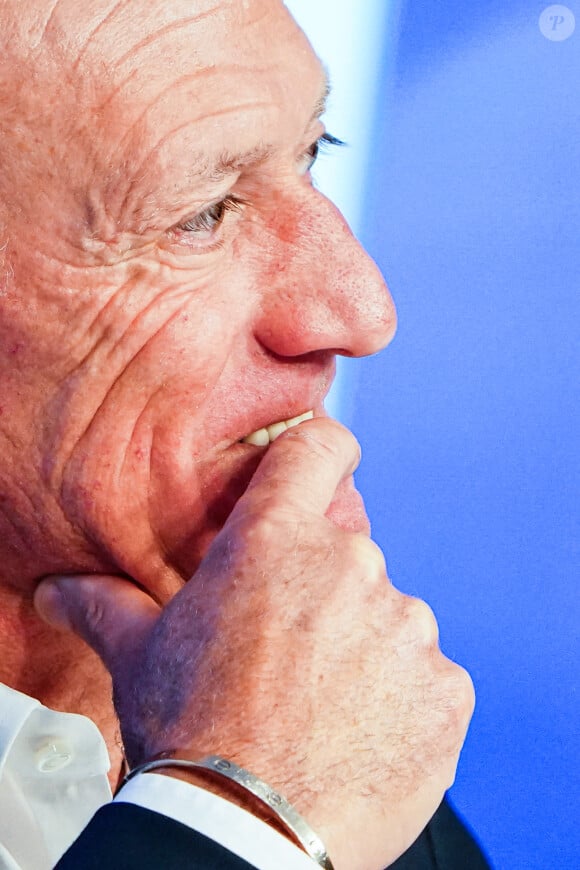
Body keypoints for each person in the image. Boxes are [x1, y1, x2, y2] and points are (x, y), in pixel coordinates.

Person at [0, 1, 488, 867]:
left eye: (313, 152)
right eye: (202, 214)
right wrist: (232, 817)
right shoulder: (284, 802)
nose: (361, 311)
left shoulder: (346, 760)